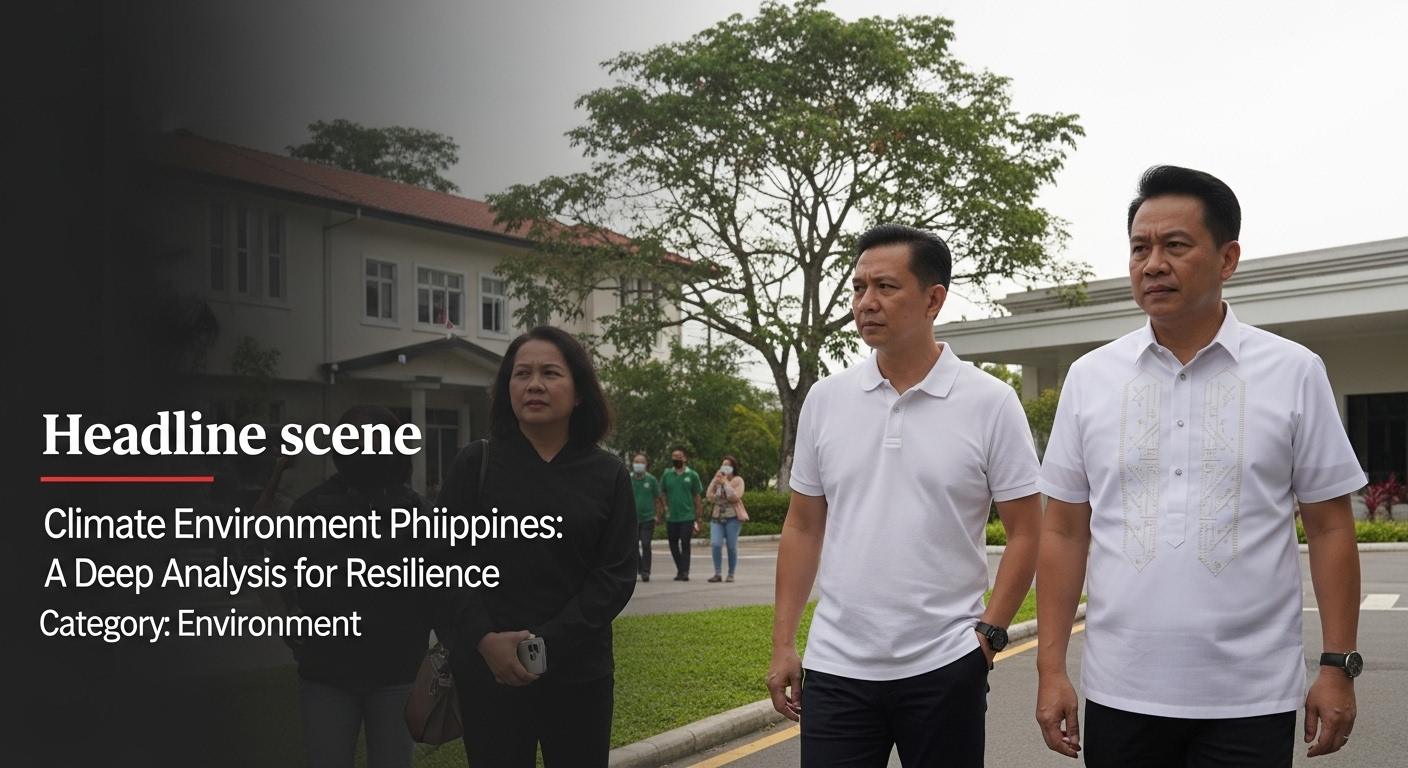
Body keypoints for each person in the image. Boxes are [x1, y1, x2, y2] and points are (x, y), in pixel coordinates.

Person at [1034, 166, 1366, 767]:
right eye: (1140, 248)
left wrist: (1338, 664)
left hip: (1250, 699)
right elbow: (1063, 530)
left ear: (1227, 258)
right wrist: (1051, 667)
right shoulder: (1091, 378)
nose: (1153, 264)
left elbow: (1330, 526)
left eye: (1176, 246)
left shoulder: (1293, 371)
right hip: (1120, 693)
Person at [766, 224, 1043, 767]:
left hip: (946, 665)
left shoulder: (990, 402)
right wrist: (784, 642)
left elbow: (1028, 531)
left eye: (886, 287)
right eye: (858, 287)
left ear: (933, 299)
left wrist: (988, 635)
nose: (866, 303)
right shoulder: (827, 399)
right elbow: (802, 526)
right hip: (837, 665)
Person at [436, 326, 637, 768]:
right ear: (507, 389)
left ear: (580, 391)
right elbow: (443, 562)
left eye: (550, 373)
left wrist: (543, 644)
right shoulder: (476, 464)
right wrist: (486, 640)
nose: (534, 385)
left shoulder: (608, 475)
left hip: (579, 673)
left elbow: (616, 575)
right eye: (521, 374)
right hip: (489, 674)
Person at [273, 406, 431, 768]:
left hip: (389, 672)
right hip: (334, 672)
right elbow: (280, 575)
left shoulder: (415, 510)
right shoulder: (310, 509)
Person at [659, 445, 703, 581]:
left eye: (678, 457)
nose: (676, 459)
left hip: (687, 516)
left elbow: (697, 496)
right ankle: (680, 568)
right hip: (672, 516)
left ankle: (685, 572)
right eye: (673, 457)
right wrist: (664, 507)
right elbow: (662, 493)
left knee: (685, 543)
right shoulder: (667, 474)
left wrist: (699, 516)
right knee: (673, 543)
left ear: (684, 458)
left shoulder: (692, 475)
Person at [705, 454, 746, 583]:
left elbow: (736, 497)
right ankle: (717, 573)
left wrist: (726, 483)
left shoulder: (738, 480)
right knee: (716, 544)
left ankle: (731, 574)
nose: (725, 467)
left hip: (732, 517)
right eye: (724, 465)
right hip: (717, 516)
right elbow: (709, 496)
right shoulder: (718, 479)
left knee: (731, 546)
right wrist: (715, 480)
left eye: (728, 465)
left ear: (733, 467)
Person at [630, 452, 662, 582]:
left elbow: (658, 498)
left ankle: (646, 571)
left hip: (648, 518)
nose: (638, 465)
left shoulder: (651, 479)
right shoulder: (628, 478)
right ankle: (639, 567)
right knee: (632, 545)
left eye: (641, 462)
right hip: (632, 518)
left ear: (646, 465)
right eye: (636, 462)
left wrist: (658, 515)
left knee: (646, 543)